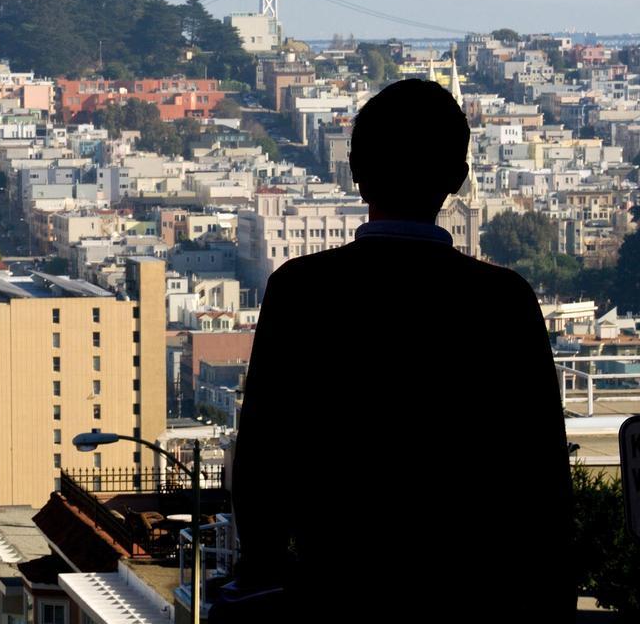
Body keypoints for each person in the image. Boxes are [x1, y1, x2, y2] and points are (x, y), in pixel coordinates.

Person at [229, 79, 573, 620]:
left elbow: (263, 455)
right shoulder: (503, 303)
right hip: (472, 598)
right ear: (458, 179)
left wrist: (264, 571)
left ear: (355, 171)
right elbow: (542, 477)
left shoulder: (302, 291)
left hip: (337, 591)